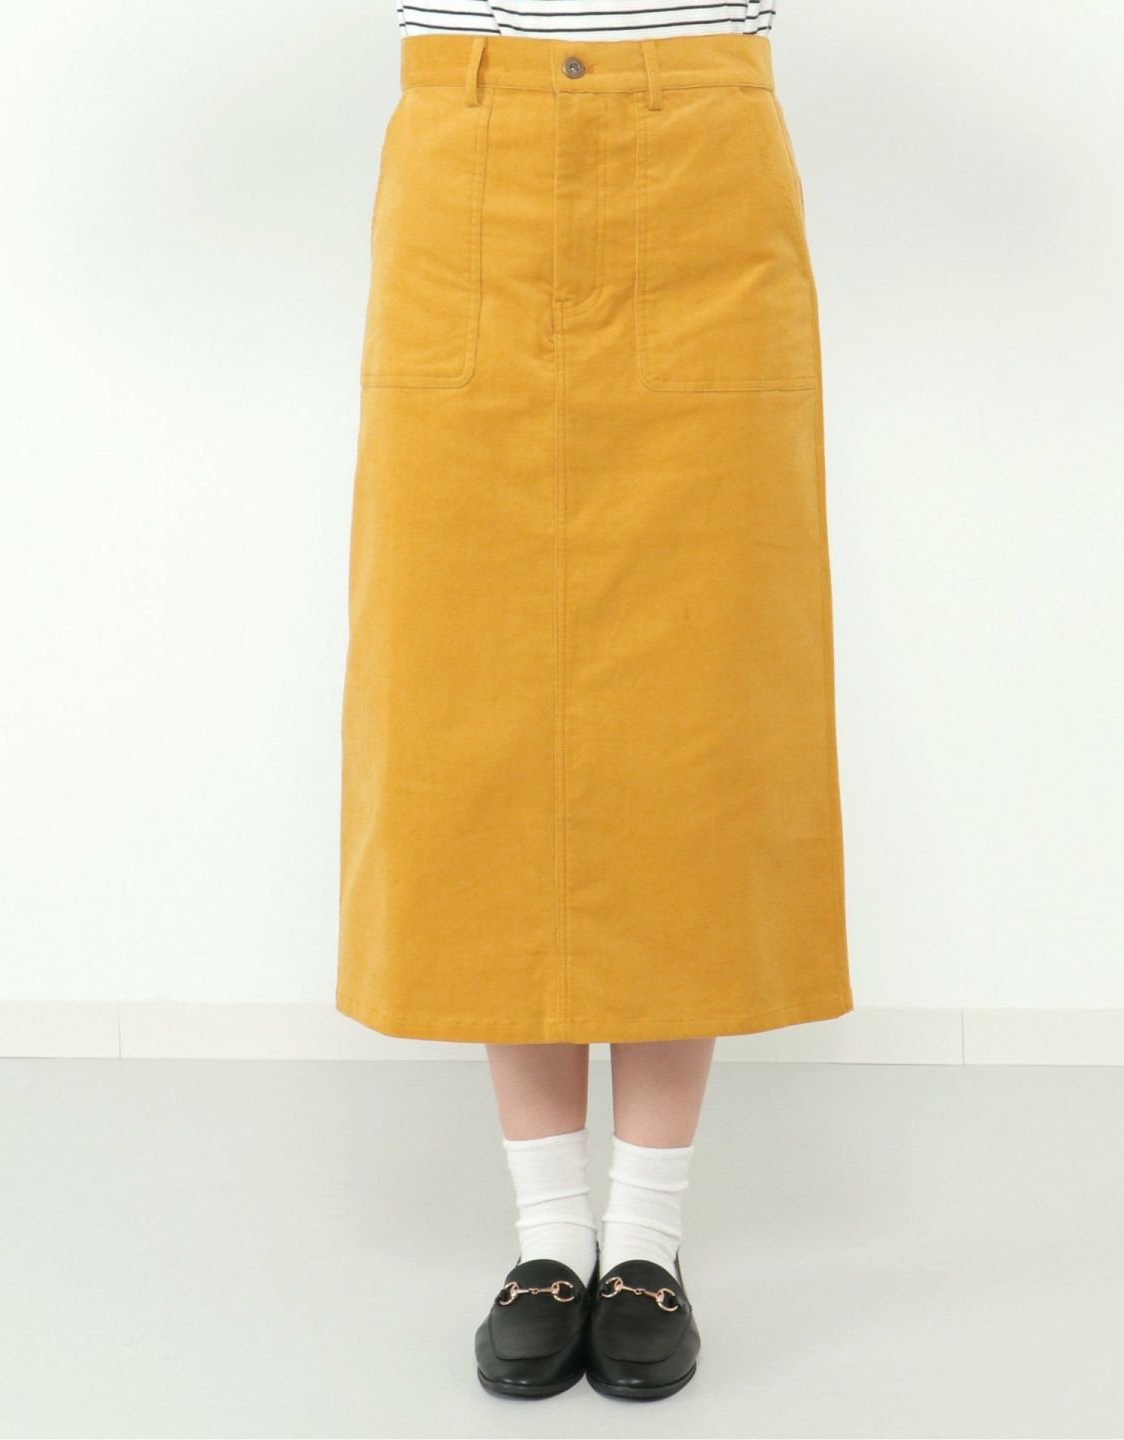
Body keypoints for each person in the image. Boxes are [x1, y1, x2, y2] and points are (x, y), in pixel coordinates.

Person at [335, 9, 853, 1403]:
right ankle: (549, 1235)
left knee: (694, 714)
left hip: (703, 149)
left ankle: (647, 1238)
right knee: (476, 714)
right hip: (470, 137)